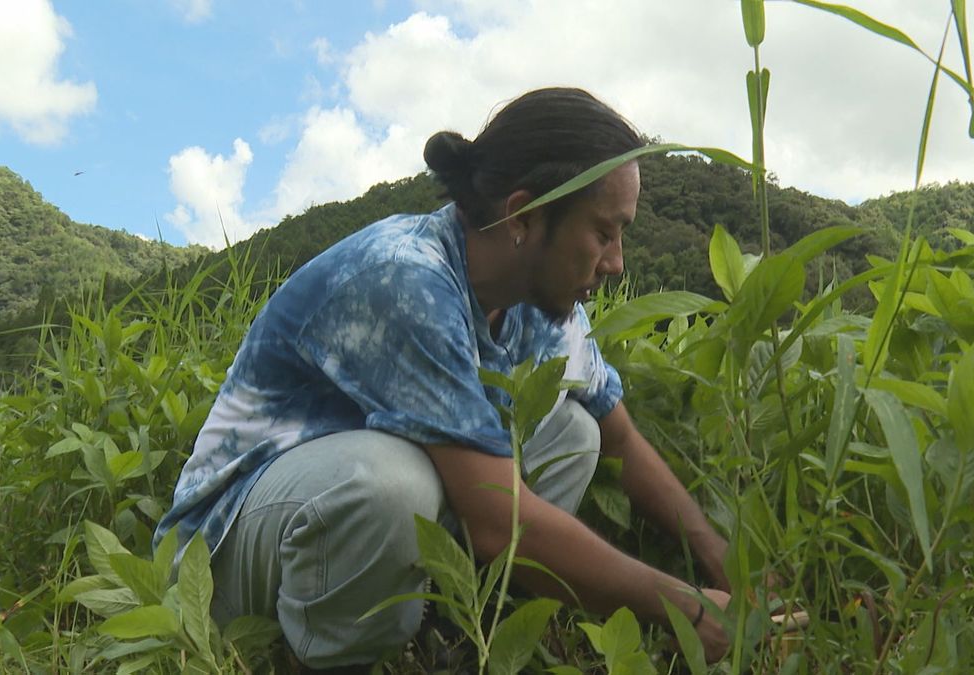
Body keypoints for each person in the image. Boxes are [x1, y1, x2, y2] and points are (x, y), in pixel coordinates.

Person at [154, 87, 732, 671]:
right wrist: (687, 610)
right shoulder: (404, 279)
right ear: (526, 215)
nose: (616, 263)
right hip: (222, 552)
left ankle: (456, 629)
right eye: (604, 233)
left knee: (575, 433)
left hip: (332, 527)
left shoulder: (541, 299)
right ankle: (326, 656)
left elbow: (621, 439)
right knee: (392, 486)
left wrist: (719, 555)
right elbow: (496, 522)